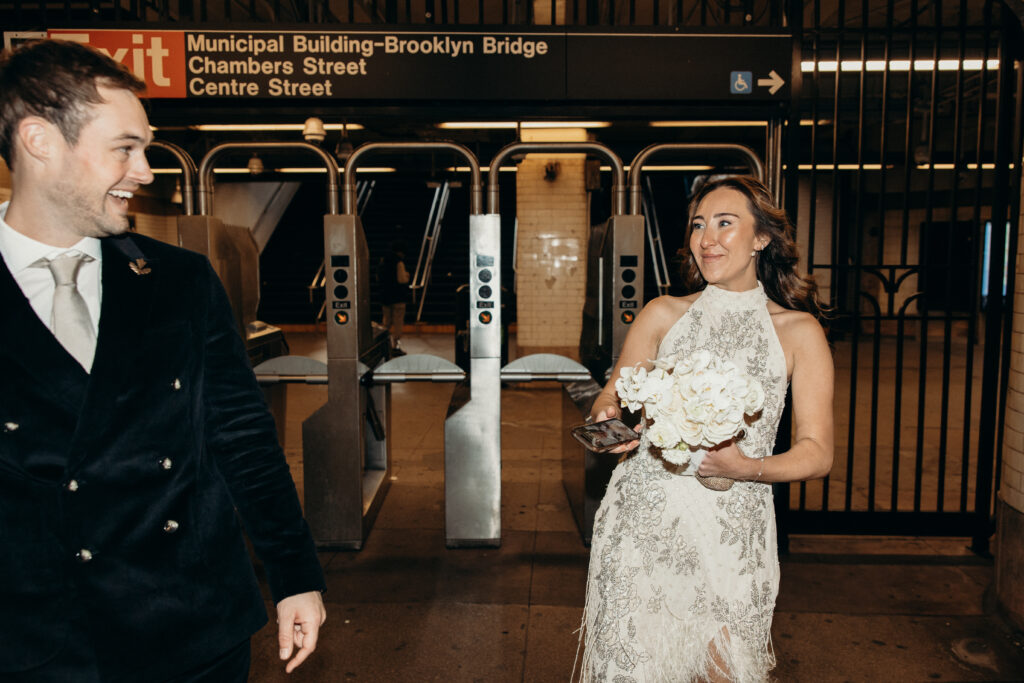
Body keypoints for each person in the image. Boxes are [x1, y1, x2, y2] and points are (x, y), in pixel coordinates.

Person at [0, 40, 326, 681]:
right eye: (124, 148)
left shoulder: (180, 280)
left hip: (193, 627)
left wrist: (294, 574)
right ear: (40, 141)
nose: (146, 171)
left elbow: (242, 437)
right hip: (38, 639)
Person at [577, 175, 834, 682]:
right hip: (643, 519)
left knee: (726, 669)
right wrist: (608, 416)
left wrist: (747, 467)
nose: (707, 239)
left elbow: (818, 452)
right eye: (698, 225)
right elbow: (613, 393)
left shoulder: (799, 332)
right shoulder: (662, 313)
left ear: (762, 237)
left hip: (731, 530)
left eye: (724, 223)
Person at [379, 239, 412, 355]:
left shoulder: (383, 261)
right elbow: (401, 279)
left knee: (386, 322)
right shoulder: (399, 263)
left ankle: (383, 345)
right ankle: (395, 346)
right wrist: (407, 276)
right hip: (398, 297)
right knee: (398, 321)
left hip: (385, 296)